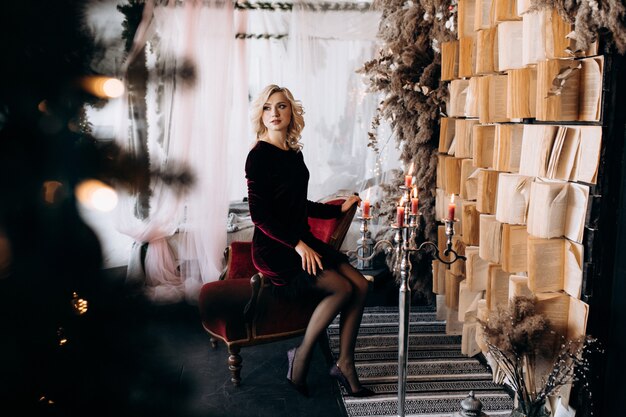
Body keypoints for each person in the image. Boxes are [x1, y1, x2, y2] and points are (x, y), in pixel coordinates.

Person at [245, 84, 375, 398]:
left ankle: (345, 362)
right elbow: (260, 215)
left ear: (291, 112)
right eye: (267, 108)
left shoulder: (294, 153)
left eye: (281, 107)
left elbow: (296, 203)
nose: (274, 114)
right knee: (342, 287)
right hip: (274, 248)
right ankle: (301, 355)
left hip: (297, 240)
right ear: (260, 115)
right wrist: (297, 244)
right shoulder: (258, 156)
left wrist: (335, 209)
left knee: (361, 284)